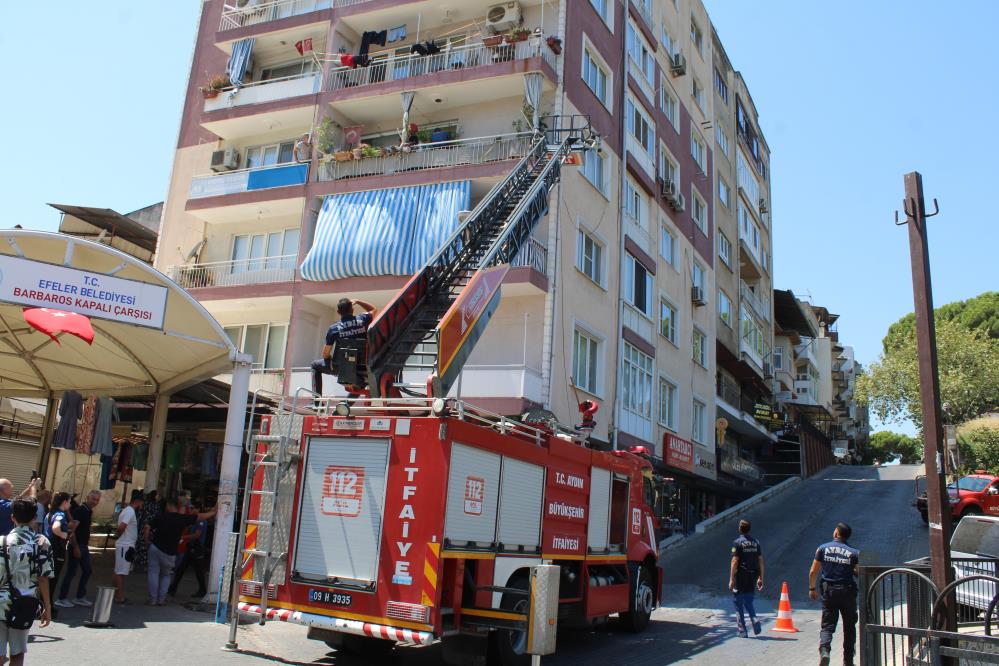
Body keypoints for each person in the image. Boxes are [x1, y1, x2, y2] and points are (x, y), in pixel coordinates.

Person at [0, 498, 53, 666]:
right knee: (17, 653)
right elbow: (43, 578)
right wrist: (47, 606)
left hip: (0, 603)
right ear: (34, 518)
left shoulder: (1, 542)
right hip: (25, 603)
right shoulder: (42, 543)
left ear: (12, 518)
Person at [143, 499, 217, 606]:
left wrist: (147, 541)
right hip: (170, 552)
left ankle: (152, 599)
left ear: (168, 506)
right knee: (166, 575)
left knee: (153, 573)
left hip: (155, 548)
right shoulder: (182, 519)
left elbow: (147, 527)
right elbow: (199, 517)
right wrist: (213, 512)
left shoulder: (160, 516)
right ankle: (161, 599)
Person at [809, 522, 860, 666]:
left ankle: (825, 651)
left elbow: (813, 571)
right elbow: (859, 572)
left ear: (837, 533)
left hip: (829, 592)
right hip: (848, 592)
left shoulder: (823, 548)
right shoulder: (854, 552)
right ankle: (848, 661)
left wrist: (812, 588)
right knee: (849, 627)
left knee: (827, 625)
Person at [310, 298, 377, 397]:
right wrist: (358, 301)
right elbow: (374, 310)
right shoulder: (363, 319)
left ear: (338, 312)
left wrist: (330, 360)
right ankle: (344, 406)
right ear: (352, 310)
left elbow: (325, 354)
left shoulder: (334, 328)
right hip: (362, 367)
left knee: (314, 365)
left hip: (340, 367)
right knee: (359, 382)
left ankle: (316, 401)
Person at [55, 490, 99, 608]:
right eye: (93, 499)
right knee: (71, 572)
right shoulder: (81, 511)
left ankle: (79, 596)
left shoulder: (87, 511)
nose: (95, 502)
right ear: (87, 497)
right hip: (78, 544)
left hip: (83, 545)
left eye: (97, 500)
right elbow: (72, 530)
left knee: (87, 570)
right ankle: (62, 597)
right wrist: (75, 547)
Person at [729, 519, 765, 638]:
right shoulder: (756, 542)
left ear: (740, 529)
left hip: (741, 575)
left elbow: (734, 561)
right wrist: (761, 578)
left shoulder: (737, 542)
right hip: (753, 574)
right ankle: (754, 619)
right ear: (749, 529)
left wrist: (731, 579)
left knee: (738, 602)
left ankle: (742, 630)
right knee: (749, 600)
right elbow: (760, 561)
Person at [44, 493, 75, 609]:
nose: (70, 504)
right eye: (69, 501)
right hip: (57, 550)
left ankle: (43, 604)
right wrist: (64, 535)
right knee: (53, 579)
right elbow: (56, 528)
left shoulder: (49, 513)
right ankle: (48, 607)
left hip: (47, 548)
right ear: (64, 502)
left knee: (46, 577)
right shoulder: (60, 514)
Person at [113, 489, 144, 604]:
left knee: (118, 571)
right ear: (139, 501)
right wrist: (119, 537)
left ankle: (115, 594)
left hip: (126, 544)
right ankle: (120, 597)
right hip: (125, 545)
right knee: (121, 572)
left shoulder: (128, 510)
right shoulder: (130, 511)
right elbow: (121, 527)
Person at [167, 514, 209, 599]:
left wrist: (184, 537)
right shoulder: (194, 521)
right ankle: (173, 588)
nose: (191, 510)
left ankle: (202, 590)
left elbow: (197, 535)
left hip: (197, 548)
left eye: (193, 508)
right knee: (181, 569)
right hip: (191, 547)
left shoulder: (201, 521)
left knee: (198, 571)